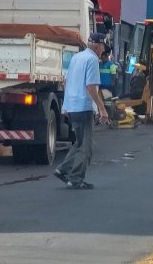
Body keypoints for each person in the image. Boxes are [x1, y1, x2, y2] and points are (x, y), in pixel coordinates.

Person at [54, 33, 110, 190]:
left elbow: (67, 81)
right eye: (103, 47)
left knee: (79, 142)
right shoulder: (92, 60)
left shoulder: (76, 58)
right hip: (83, 106)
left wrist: (66, 105)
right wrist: (102, 108)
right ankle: (75, 179)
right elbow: (91, 87)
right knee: (86, 146)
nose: (103, 50)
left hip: (72, 106)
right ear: (98, 46)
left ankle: (62, 169)